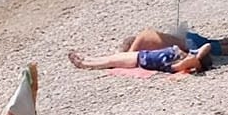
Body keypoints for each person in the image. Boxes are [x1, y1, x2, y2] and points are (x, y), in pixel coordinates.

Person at [118, 27, 228, 57]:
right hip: (187, 37)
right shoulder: (147, 35)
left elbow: (129, 58)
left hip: (190, 44)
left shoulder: (140, 42)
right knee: (220, 43)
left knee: (226, 50)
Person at [69, 43, 213, 74]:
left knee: (111, 61)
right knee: (112, 58)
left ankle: (85, 64)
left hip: (139, 60)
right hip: (141, 55)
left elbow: (192, 61)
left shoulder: (178, 65)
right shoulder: (184, 56)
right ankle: (88, 59)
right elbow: (207, 46)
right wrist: (198, 56)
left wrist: (198, 62)